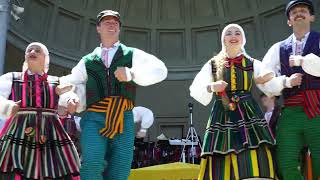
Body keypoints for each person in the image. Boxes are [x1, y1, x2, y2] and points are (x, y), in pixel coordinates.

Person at [59, 10, 167, 180]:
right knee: (92, 163)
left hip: (124, 118)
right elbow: (73, 82)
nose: (112, 24)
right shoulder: (87, 60)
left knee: (120, 168)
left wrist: (131, 74)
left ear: (119, 28)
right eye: (106, 21)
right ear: (98, 28)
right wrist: (71, 98)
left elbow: (160, 70)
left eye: (115, 22)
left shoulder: (132, 54)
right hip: (94, 117)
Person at [190, 24, 277, 180]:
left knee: (255, 154)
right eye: (228, 33)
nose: (233, 35)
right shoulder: (213, 64)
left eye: (237, 33)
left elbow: (269, 80)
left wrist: (273, 77)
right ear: (223, 39)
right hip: (222, 114)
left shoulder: (252, 62)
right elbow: (195, 88)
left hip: (249, 114)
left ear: (243, 39)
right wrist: (211, 87)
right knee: (221, 155)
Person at [0, 42, 80, 179]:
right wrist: (8, 106)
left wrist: (71, 102)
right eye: (29, 50)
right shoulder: (12, 77)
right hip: (19, 129)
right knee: (15, 164)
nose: (32, 51)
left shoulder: (56, 81)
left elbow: (67, 96)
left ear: (45, 58)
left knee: (55, 166)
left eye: (37, 50)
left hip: (51, 131)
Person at [259, 0, 320, 179]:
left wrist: (304, 61)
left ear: (312, 17)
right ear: (289, 21)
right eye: (294, 12)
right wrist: (285, 82)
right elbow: (263, 80)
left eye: (303, 11)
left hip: (317, 110)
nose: (299, 13)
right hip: (291, 111)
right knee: (285, 160)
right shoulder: (278, 48)